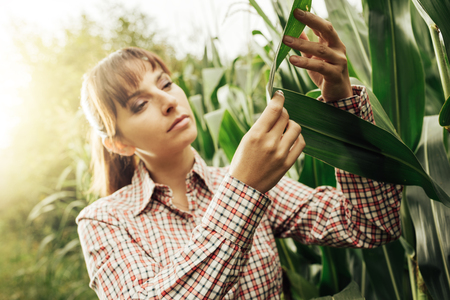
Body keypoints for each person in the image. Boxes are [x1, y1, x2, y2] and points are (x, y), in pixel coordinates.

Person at [77, 9, 403, 300]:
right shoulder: (104, 221)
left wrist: (341, 110)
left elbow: (372, 224)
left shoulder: (251, 181)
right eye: (140, 104)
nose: (169, 101)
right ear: (119, 144)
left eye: (165, 83)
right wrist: (243, 190)